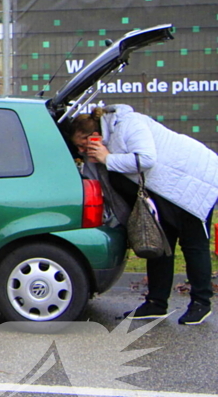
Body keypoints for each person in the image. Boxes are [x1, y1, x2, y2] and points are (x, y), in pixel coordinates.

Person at [70, 105, 218, 325]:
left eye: (83, 145)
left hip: (191, 187)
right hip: (162, 195)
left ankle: (201, 303)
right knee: (159, 247)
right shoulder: (102, 147)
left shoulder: (130, 124)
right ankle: (156, 304)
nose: (82, 151)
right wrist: (98, 160)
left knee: (193, 246)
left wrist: (107, 158)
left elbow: (146, 158)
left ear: (94, 136)